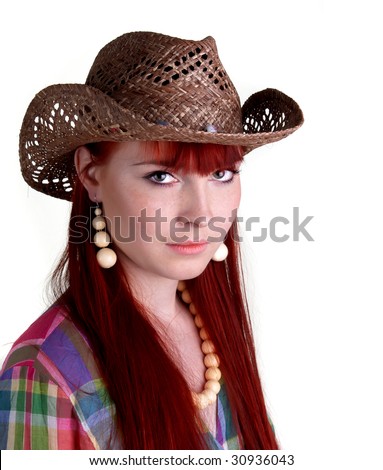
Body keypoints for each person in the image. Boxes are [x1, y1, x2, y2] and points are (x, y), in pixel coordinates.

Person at [0, 31, 303, 450]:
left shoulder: (216, 332)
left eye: (221, 174)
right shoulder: (47, 376)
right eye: (161, 176)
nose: (200, 214)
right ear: (91, 174)